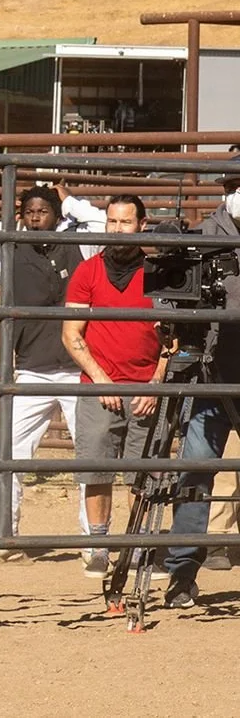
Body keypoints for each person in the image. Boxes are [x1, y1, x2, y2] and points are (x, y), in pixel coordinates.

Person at [0, 185, 97, 563]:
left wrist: (72, 202)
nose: (35, 217)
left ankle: (94, 542)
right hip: (32, 369)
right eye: (28, 212)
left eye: (43, 211)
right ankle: (2, 538)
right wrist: (4, 230)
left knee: (90, 456)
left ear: (58, 215)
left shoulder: (82, 245)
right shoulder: (13, 249)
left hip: (77, 369)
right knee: (8, 454)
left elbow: (104, 224)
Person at [62, 194, 165, 580]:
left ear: (141, 224)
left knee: (142, 472)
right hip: (99, 385)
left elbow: (171, 336)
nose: (118, 230)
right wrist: (100, 379)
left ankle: (137, 548)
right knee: (97, 468)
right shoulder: (88, 271)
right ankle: (99, 545)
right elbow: (71, 334)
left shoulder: (158, 271)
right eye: (112, 222)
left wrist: (155, 382)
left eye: (125, 222)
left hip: (145, 386)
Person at [164, 170, 240, 607]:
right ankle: (181, 570)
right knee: (195, 468)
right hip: (210, 370)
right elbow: (173, 290)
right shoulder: (202, 236)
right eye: (232, 187)